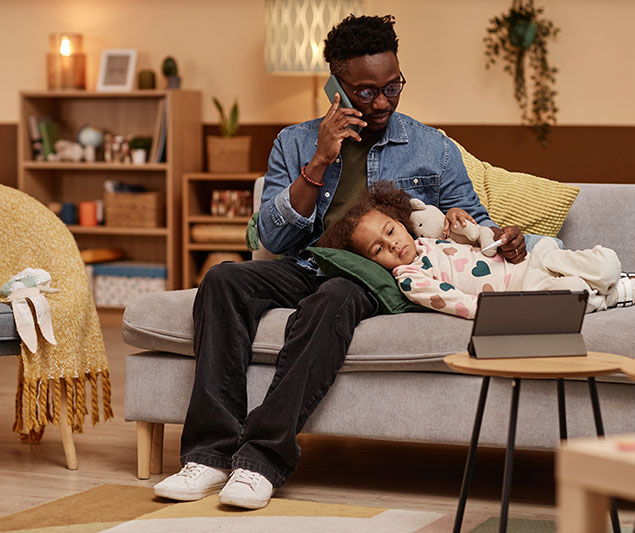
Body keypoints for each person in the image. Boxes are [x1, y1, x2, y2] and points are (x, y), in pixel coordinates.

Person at [153, 14, 526, 510]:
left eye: (393, 86)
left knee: (335, 296)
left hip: (382, 279)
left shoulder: (432, 146)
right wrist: (319, 161)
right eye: (366, 92)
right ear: (337, 86)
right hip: (310, 264)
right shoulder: (295, 142)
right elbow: (273, 235)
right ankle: (210, 455)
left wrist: (501, 237)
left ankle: (261, 460)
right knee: (223, 279)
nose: (383, 102)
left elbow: (473, 224)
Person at [318, 182, 635, 318]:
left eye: (390, 231)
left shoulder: (428, 241)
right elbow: (454, 300)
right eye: (379, 249)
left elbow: (482, 247)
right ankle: (612, 294)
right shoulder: (409, 276)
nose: (393, 244)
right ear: (371, 261)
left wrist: (470, 230)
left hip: (535, 260)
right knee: (572, 293)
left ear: (401, 221)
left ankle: (607, 278)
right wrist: (495, 312)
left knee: (606, 262)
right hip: (523, 290)